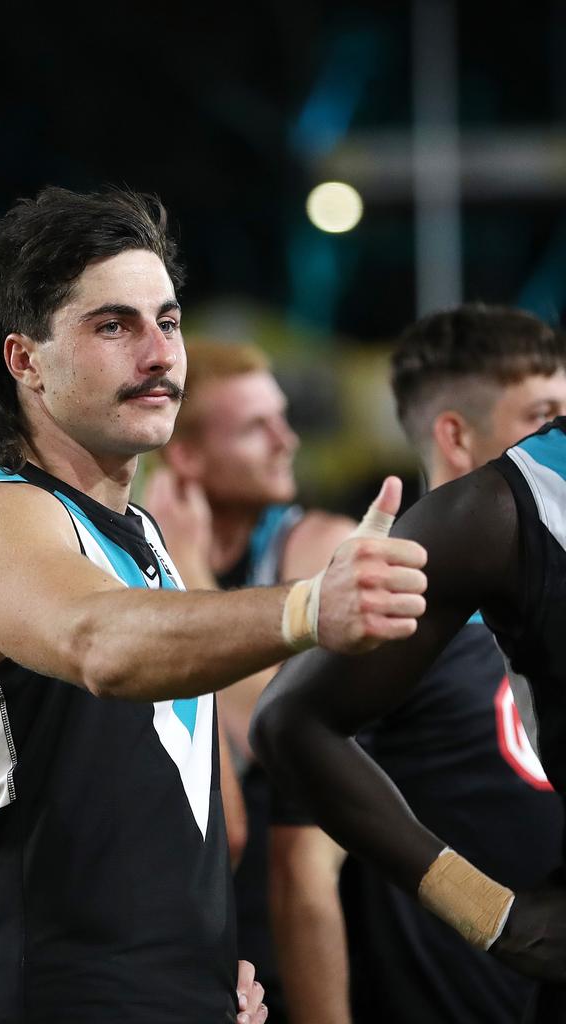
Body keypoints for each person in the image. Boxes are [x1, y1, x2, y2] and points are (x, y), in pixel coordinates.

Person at [0, 185, 429, 1024]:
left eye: (168, 322)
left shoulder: (145, 534)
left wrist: (200, 973)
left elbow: (207, 812)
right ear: (25, 360)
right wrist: (308, 607)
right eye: (114, 326)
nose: (159, 354)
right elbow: (102, 644)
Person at [251, 308, 566, 1021]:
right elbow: (302, 867)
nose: (551, 430)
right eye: (542, 413)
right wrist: (494, 918)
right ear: (454, 434)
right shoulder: (416, 594)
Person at [143, 339, 355, 1024]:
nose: (287, 440)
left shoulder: (321, 544)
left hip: (329, 904)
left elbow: (272, 728)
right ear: (186, 455)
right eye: (255, 427)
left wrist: (187, 573)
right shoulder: (123, 558)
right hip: (194, 911)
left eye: (283, 418)